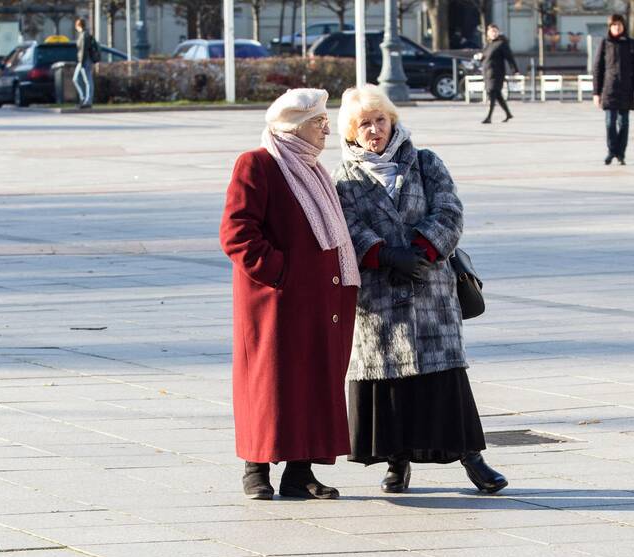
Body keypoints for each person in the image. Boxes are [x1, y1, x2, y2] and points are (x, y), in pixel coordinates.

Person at [332, 85, 507, 496]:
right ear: (352, 133)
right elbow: (347, 229)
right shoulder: (344, 179)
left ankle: (472, 459)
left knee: (445, 380)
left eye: (379, 120)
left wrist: (422, 251)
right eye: (364, 124)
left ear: (392, 120)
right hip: (379, 295)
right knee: (392, 383)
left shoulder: (425, 162)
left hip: (430, 291)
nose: (374, 130)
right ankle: (397, 462)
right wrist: (385, 256)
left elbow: (449, 211)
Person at [220, 88, 360, 501]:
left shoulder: (315, 168)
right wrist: (282, 274)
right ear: (295, 128)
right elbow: (237, 233)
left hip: (322, 299)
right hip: (274, 302)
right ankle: (255, 468)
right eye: (318, 122)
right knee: (268, 385)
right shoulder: (258, 164)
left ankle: (301, 472)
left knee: (315, 382)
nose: (327, 129)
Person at [593, 13, 634, 165]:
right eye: (614, 25)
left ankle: (621, 153)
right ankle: (611, 151)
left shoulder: (631, 44)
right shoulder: (605, 43)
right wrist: (596, 92)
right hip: (609, 89)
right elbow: (597, 68)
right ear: (610, 27)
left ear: (624, 26)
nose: (617, 27)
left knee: (624, 123)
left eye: (619, 24)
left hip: (627, 89)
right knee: (610, 122)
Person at [479, 24, 519, 124]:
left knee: (492, 92)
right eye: (491, 31)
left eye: (495, 31)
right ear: (488, 33)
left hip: (497, 73)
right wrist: (480, 57)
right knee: (497, 95)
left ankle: (489, 117)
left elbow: (509, 57)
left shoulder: (501, 44)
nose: (493, 33)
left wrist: (515, 70)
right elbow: (485, 57)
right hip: (487, 73)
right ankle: (508, 114)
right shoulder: (488, 44)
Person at [73, 18, 99, 109]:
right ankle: (83, 98)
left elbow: (84, 49)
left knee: (88, 81)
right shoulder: (82, 35)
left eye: (76, 26)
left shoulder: (84, 35)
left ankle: (88, 101)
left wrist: (82, 62)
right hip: (82, 60)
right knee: (75, 79)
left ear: (78, 26)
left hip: (85, 60)